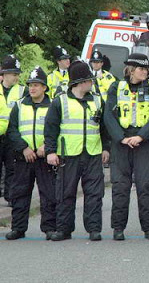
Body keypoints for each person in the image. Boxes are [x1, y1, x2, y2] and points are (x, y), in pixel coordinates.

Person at [45, 61, 110, 241]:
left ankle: (94, 229)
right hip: (68, 155)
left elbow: (104, 128)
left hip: (93, 153)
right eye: (89, 80)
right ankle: (64, 230)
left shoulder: (97, 100)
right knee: (65, 193)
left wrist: (106, 148)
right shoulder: (60, 102)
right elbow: (50, 129)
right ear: (80, 82)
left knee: (95, 194)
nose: (92, 82)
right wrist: (51, 151)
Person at [104, 53, 149, 241]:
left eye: (146, 69)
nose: (145, 72)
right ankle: (118, 228)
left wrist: (141, 136)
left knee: (146, 185)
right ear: (131, 69)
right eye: (141, 69)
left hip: (143, 142)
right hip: (121, 142)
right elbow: (108, 116)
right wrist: (121, 138)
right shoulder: (116, 87)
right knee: (120, 186)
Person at [5, 67, 56, 240]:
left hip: (43, 157)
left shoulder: (52, 105)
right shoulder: (19, 105)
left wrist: (46, 147)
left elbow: (57, 129)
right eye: (30, 85)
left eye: (36, 85)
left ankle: (49, 227)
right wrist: (23, 148)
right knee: (19, 193)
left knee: (49, 194)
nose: (32, 88)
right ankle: (18, 228)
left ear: (44, 88)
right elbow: (11, 130)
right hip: (23, 157)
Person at [0, 55, 28, 204]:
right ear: (4, 74)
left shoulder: (23, 91)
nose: (16, 78)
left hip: (12, 136)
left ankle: (10, 197)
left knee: (12, 168)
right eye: (14, 74)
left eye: (18, 74)